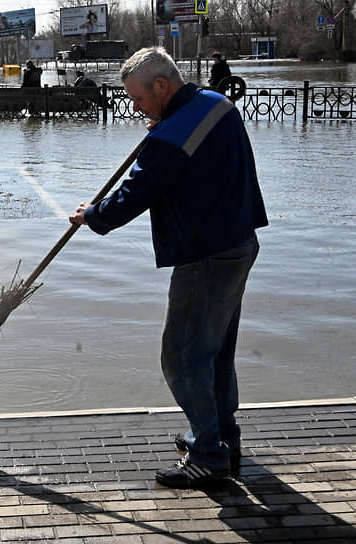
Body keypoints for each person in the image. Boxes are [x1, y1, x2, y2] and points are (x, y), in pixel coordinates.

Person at [69, 47, 268, 489]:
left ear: (162, 86)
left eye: (138, 98)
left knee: (182, 356)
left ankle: (208, 458)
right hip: (239, 242)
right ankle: (219, 439)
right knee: (214, 351)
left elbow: (135, 194)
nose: (135, 107)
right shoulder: (217, 105)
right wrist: (164, 126)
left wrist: (93, 215)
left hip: (206, 255)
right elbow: (192, 157)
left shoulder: (170, 137)